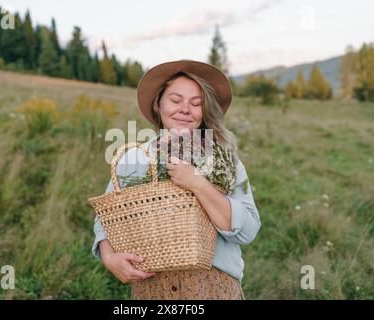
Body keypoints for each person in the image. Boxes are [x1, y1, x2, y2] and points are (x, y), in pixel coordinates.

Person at [92, 60, 261, 300]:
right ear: (158, 105)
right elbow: (105, 217)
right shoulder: (135, 158)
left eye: (196, 103)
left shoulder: (224, 161)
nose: (185, 109)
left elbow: (248, 231)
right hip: (150, 289)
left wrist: (198, 184)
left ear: (205, 112)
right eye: (175, 100)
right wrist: (109, 256)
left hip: (212, 288)